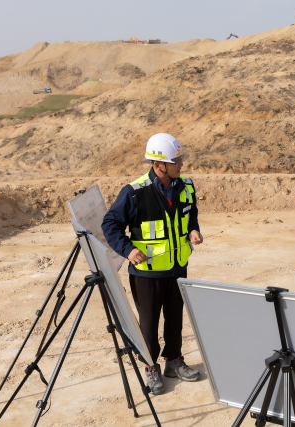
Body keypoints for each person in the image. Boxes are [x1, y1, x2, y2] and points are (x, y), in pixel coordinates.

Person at [102, 133, 202, 395]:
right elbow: (110, 224)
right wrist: (127, 249)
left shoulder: (186, 186)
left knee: (175, 319)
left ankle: (173, 360)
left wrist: (193, 230)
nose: (181, 164)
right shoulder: (134, 192)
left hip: (177, 267)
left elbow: (190, 214)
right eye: (176, 160)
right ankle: (150, 365)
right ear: (159, 165)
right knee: (148, 322)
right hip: (147, 274)